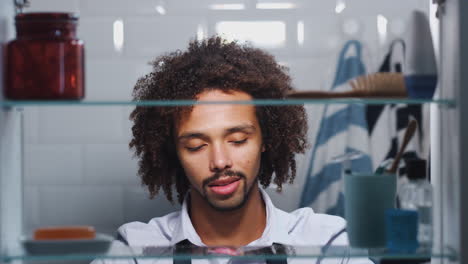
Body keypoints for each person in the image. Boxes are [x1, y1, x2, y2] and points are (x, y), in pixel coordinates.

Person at [93, 36, 371, 264]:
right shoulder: (133, 251)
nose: (220, 161)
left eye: (237, 140)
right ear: (174, 154)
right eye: (196, 146)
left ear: (267, 139)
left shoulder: (327, 243)